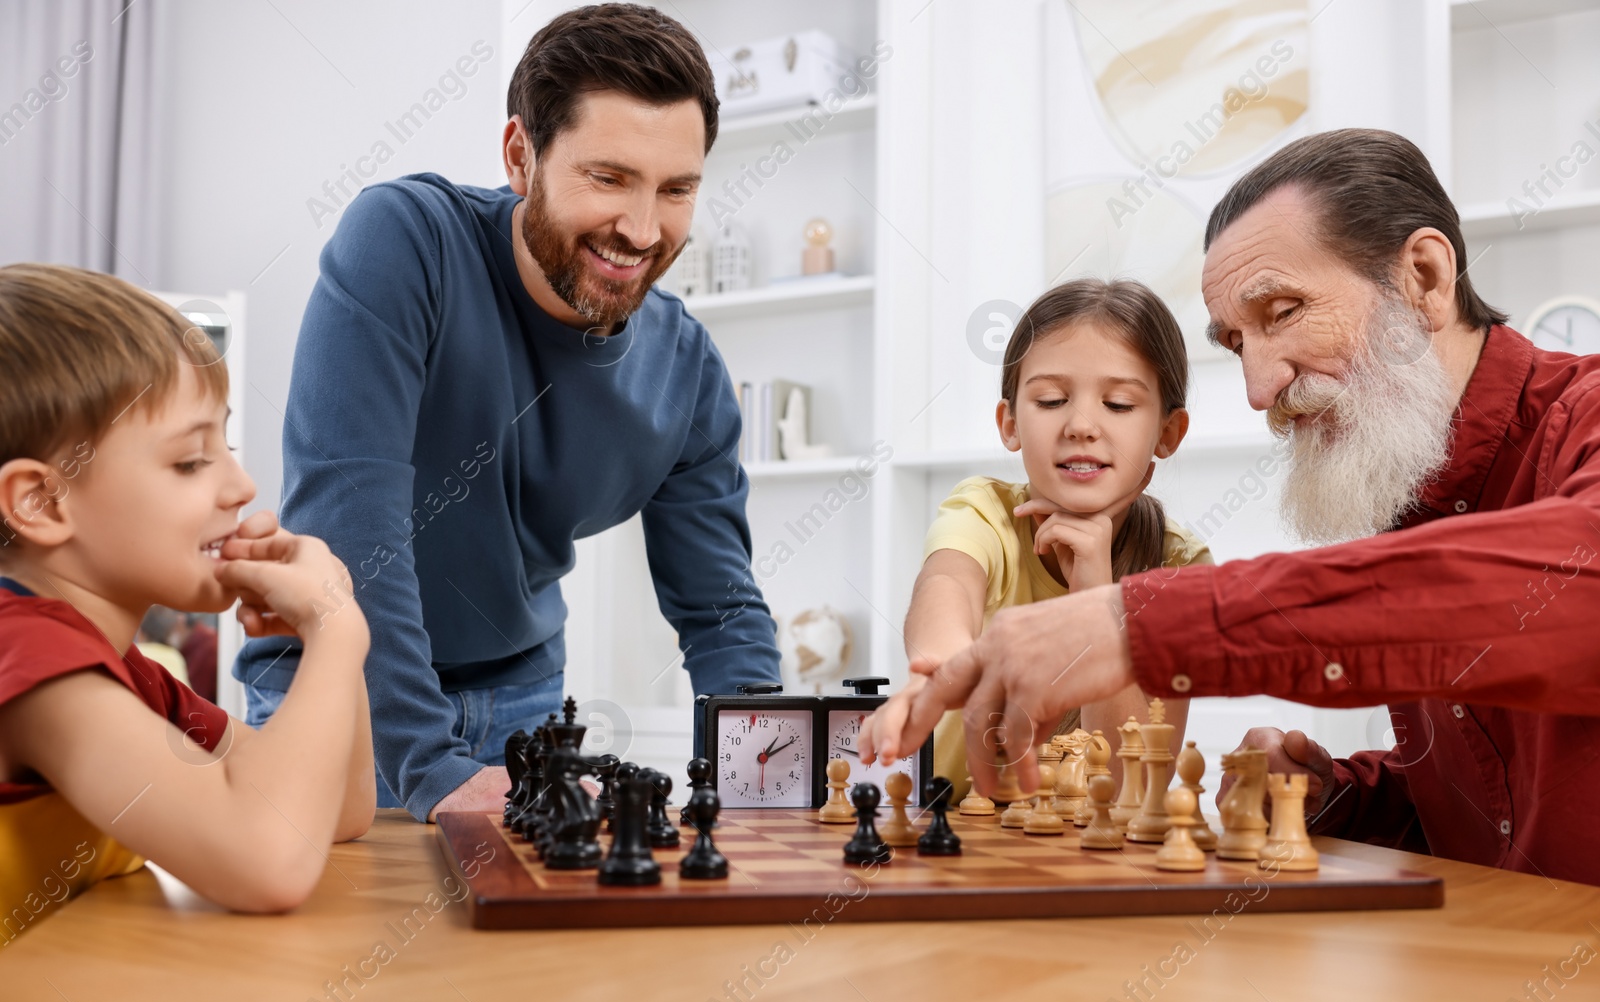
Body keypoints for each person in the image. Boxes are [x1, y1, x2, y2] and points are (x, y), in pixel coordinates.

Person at [862, 128, 1600, 886]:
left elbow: (1573, 587)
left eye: (1281, 312)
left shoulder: (1586, 417)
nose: (1258, 389)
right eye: (1234, 342)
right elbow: (1501, 799)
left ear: (1424, 276)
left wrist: (1134, 622)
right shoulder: (1409, 493)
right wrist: (1331, 797)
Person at [234, 3, 782, 823]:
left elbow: (721, 608)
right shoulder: (404, 242)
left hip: (521, 704)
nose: (641, 229)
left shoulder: (690, 369)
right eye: (608, 177)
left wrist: (766, 772)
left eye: (675, 189)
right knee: (335, 946)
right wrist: (426, 762)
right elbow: (354, 519)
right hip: (339, 689)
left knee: (515, 954)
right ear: (521, 155)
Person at [0, 264, 374, 927]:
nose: (242, 486)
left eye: (224, 445)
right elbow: (267, 861)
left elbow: (340, 810)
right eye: (190, 461)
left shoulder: (130, 676)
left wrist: (319, 632)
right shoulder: (28, 653)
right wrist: (336, 627)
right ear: (41, 500)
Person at [902, 279, 1212, 799]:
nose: (1081, 425)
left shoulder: (1178, 563)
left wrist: (1092, 596)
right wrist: (941, 667)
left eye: (1118, 404)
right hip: (957, 835)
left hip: (1093, 851)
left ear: (1168, 433)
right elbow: (946, 583)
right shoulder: (986, 513)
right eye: (1051, 400)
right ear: (1009, 423)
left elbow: (1129, 782)